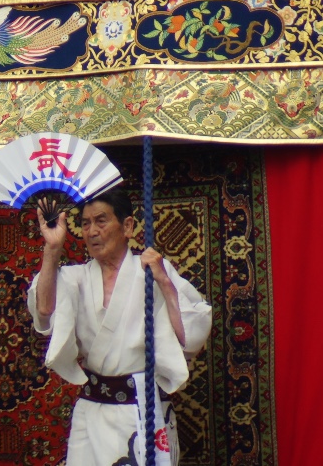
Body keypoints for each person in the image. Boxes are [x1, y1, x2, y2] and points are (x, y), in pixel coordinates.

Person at [28, 189, 211, 466]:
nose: (91, 231)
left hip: (142, 411)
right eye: (85, 223)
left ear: (127, 226)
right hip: (92, 412)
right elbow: (43, 313)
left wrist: (163, 282)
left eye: (101, 221)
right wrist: (52, 248)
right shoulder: (75, 278)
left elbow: (192, 338)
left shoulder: (152, 271)